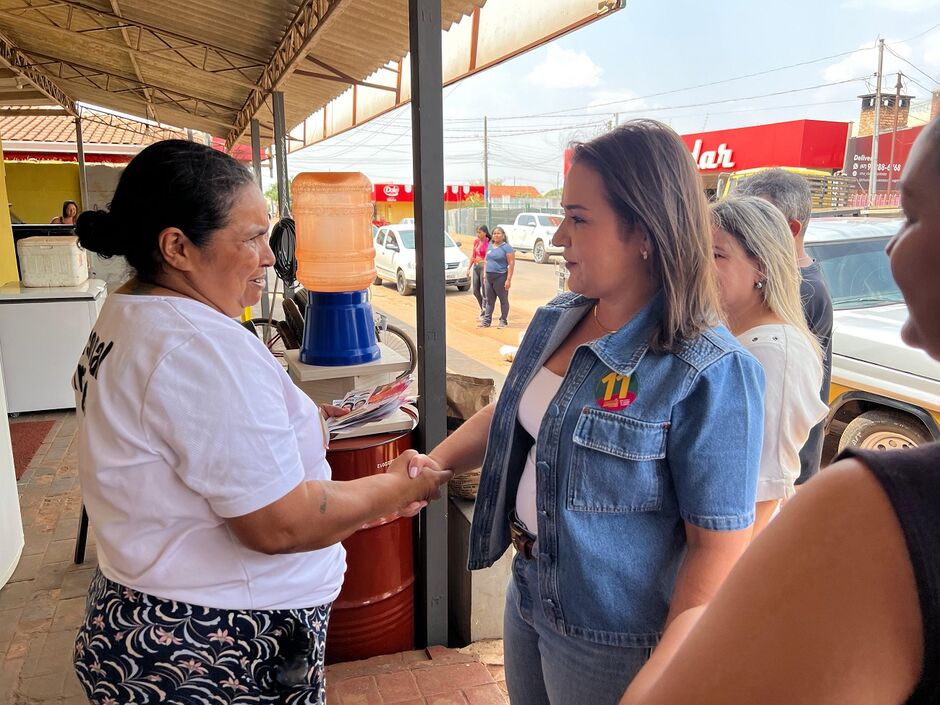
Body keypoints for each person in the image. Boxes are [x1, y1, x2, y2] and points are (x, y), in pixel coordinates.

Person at [70, 140, 451, 704]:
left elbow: (193, 442)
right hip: (216, 649)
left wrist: (305, 421)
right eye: (250, 238)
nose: (271, 257)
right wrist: (399, 485)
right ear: (177, 246)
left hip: (144, 615)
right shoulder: (198, 347)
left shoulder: (128, 313)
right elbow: (282, 525)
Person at [412, 120, 766, 704]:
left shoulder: (709, 370)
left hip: (616, 635)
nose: (556, 237)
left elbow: (718, 548)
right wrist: (431, 466)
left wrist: (665, 676)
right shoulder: (558, 317)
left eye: (578, 218)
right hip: (528, 589)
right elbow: (513, 412)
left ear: (646, 230)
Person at [620, 114, 940, 705]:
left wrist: (699, 616)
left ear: (761, 266)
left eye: (914, 216)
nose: (893, 247)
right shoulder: (727, 342)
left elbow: (757, 498)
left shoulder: (775, 356)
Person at [711, 196, 828, 535]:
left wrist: (722, 580)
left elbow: (764, 489)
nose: (699, 266)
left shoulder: (775, 354)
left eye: (717, 255)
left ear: (760, 266)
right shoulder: (731, 333)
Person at [738, 169, 833, 485]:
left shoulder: (801, 291)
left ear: (790, 229)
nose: (745, 234)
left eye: (758, 221)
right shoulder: (796, 283)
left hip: (784, 469)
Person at [478, 225, 515, 328]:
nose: (496, 235)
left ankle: (503, 320)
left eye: (498, 233)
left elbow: (511, 264)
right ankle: (486, 322)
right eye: (494, 233)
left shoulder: (507, 248)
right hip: (489, 278)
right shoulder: (490, 246)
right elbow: (486, 261)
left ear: (503, 235)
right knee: (489, 301)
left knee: (503, 300)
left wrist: (508, 280)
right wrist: (485, 275)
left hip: (501, 277)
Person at [467, 224, 491, 317]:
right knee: (475, 291)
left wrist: (485, 270)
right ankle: (482, 308)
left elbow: (487, 257)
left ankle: (485, 311)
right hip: (476, 268)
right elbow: (473, 255)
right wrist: (468, 268)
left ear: (485, 233)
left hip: (483, 268)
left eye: (479, 232)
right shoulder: (476, 242)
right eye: (477, 232)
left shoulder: (488, 243)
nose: (477, 234)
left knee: (485, 291)